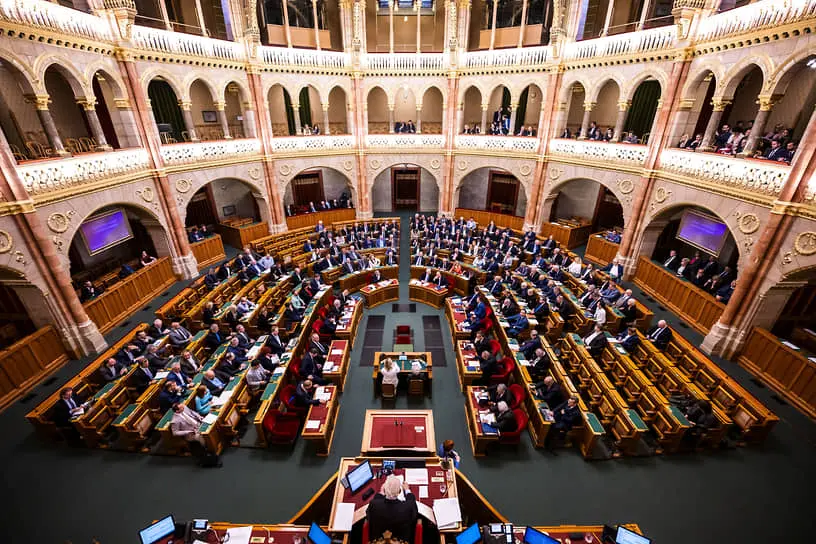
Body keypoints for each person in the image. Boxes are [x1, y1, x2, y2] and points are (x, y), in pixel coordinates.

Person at [366, 474, 418, 543]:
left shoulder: (374, 505)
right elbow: (414, 511)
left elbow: (368, 516)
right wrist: (407, 490)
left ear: (384, 490)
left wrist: (381, 492)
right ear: (399, 491)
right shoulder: (407, 507)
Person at [170, 402, 221, 468]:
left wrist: (199, 417)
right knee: (200, 436)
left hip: (198, 424)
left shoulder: (184, 408)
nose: (183, 407)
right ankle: (207, 448)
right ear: (177, 411)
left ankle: (217, 441)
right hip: (191, 434)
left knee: (212, 424)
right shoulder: (175, 420)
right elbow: (175, 432)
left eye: (182, 406)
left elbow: (192, 412)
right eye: (181, 408)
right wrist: (188, 432)